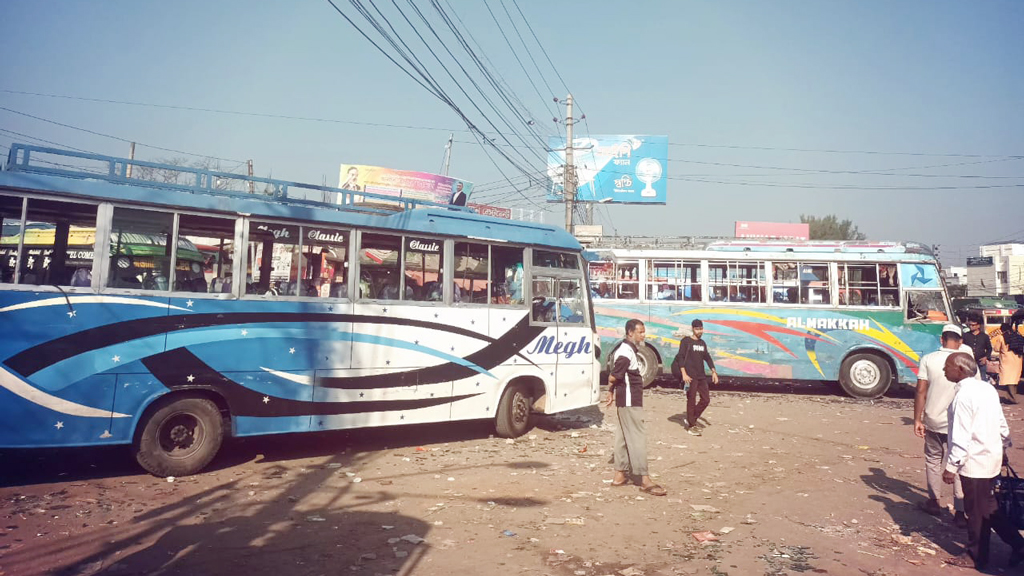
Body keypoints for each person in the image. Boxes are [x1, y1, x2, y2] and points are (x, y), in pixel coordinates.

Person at [941, 352, 1024, 570]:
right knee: (988, 509)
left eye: (947, 367)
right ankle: (1018, 545)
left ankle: (976, 556)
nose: (944, 370)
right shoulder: (986, 388)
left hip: (975, 462)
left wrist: (951, 466)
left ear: (960, 370)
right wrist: (1004, 447)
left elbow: (961, 435)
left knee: (976, 513)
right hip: (991, 457)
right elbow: (1000, 422)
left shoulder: (963, 396)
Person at [913, 324, 969, 526]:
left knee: (933, 460)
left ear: (941, 339)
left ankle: (934, 501)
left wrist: (917, 419)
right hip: (960, 424)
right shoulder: (966, 361)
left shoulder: (928, 359)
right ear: (961, 341)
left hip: (934, 420)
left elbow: (921, 391)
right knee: (958, 464)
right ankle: (961, 512)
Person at [605, 319, 667, 496]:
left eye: (643, 331)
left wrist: (611, 392)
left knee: (623, 437)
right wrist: (610, 388)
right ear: (630, 333)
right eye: (640, 332)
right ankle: (644, 479)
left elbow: (616, 377)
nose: (643, 335)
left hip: (626, 400)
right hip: (631, 401)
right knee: (637, 438)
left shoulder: (627, 350)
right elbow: (614, 375)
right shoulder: (625, 352)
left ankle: (619, 475)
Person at [678, 319, 719, 436]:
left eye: (701, 328)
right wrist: (684, 374)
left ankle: (692, 418)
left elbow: (707, 357)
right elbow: (680, 357)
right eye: (697, 329)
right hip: (690, 376)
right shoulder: (686, 341)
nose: (699, 331)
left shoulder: (702, 343)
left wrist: (713, 371)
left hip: (701, 376)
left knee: (706, 399)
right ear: (692, 329)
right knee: (691, 399)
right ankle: (691, 425)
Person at [991, 322, 1023, 404]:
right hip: (1018, 360)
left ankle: (1012, 398)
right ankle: (1012, 397)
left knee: (1008, 379)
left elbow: (996, 349)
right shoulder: (1017, 336)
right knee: (1014, 379)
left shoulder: (1002, 337)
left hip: (1006, 361)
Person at [963, 312, 993, 383]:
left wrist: (986, 357)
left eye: (973, 325)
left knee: (982, 379)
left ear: (978, 325)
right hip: (969, 362)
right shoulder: (965, 336)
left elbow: (989, 348)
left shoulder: (984, 336)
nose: (971, 327)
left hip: (981, 362)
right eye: (969, 325)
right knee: (969, 379)